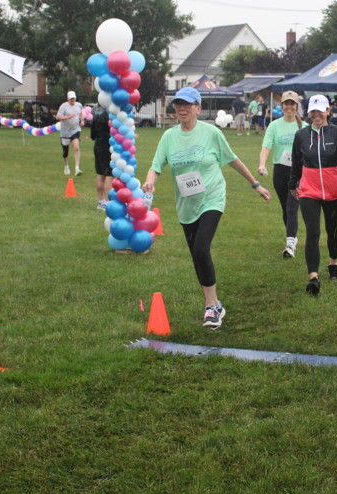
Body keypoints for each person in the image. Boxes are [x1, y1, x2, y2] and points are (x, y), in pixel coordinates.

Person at [142, 86, 271, 329]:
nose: (181, 108)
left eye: (187, 104)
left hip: (212, 197)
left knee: (201, 248)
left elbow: (233, 160)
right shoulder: (168, 137)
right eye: (178, 104)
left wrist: (255, 184)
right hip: (186, 204)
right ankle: (215, 303)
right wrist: (150, 182)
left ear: (198, 108)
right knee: (196, 255)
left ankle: (211, 306)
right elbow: (156, 166)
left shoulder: (211, 133)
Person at [290, 94, 337, 297]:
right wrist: (292, 184)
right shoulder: (301, 135)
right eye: (313, 111)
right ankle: (313, 278)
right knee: (312, 232)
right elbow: (296, 162)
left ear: (328, 111)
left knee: (332, 230)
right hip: (309, 191)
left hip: (334, 191)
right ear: (308, 113)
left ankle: (333, 263)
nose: (316, 115)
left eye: (320, 111)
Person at [258, 90, 304, 259]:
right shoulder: (274, 125)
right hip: (280, 171)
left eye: (292, 104)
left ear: (297, 106)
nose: (289, 107)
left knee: (292, 206)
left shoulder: (304, 126)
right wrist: (262, 164)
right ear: (282, 105)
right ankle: (292, 236)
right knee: (286, 207)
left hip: (298, 172)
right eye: (286, 103)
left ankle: (290, 244)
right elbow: (266, 146)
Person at [89, 103, 113, 210]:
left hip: (97, 144)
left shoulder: (96, 111)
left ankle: (100, 201)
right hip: (107, 145)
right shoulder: (109, 112)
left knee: (100, 173)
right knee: (109, 174)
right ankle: (108, 203)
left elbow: (92, 134)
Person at [56, 91, 84, 176]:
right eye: (71, 99)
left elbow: (81, 113)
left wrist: (82, 120)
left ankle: (77, 168)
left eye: (74, 98)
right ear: (68, 98)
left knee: (76, 147)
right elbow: (57, 117)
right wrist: (68, 117)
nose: (73, 100)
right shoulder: (63, 106)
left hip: (75, 129)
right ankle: (66, 166)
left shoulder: (79, 105)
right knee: (65, 151)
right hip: (65, 132)